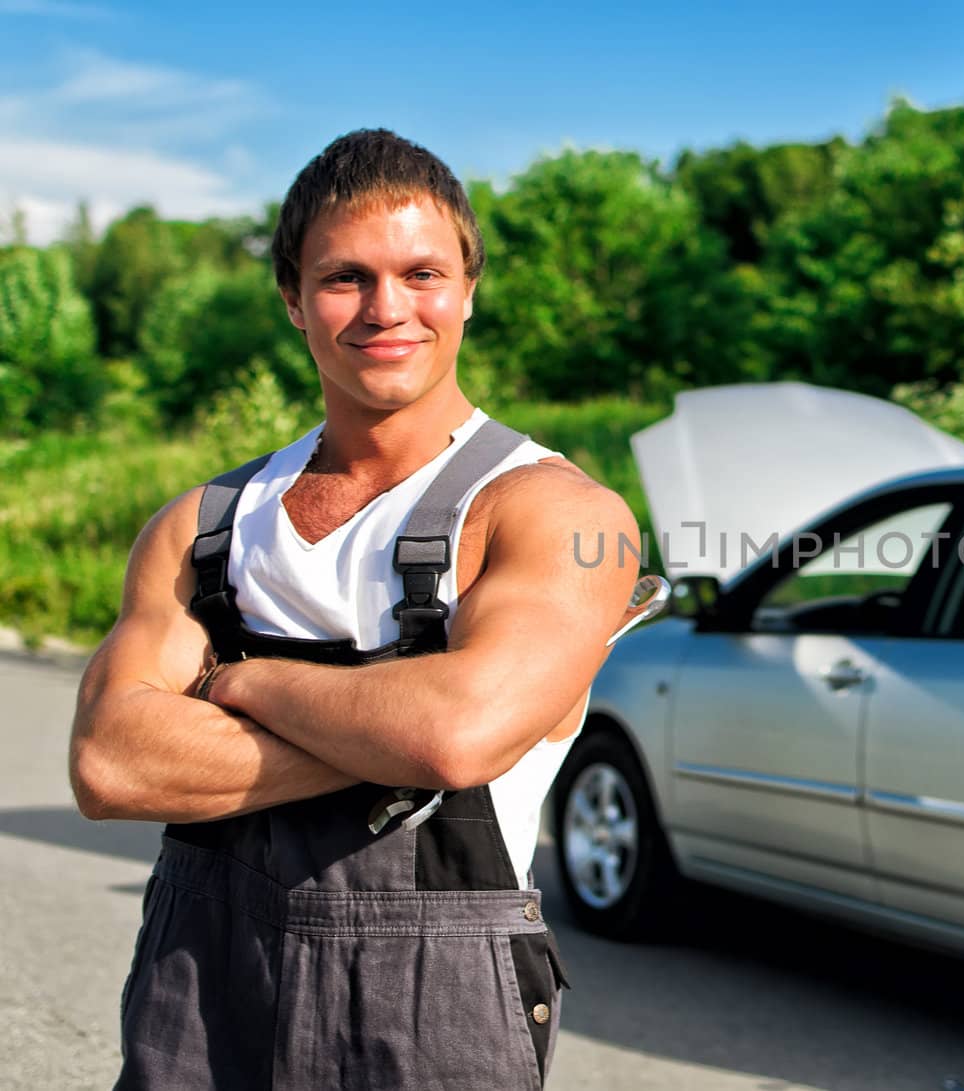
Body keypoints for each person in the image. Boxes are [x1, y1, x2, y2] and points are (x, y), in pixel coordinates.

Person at [69, 128, 643, 1089]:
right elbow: (109, 764)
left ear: (468, 288)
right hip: (199, 990)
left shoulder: (557, 512)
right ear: (292, 298)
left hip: (432, 1002)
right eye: (345, 278)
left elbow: (456, 737)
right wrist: (392, 725)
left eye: (422, 273)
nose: (388, 309)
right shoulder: (202, 526)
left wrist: (233, 681)